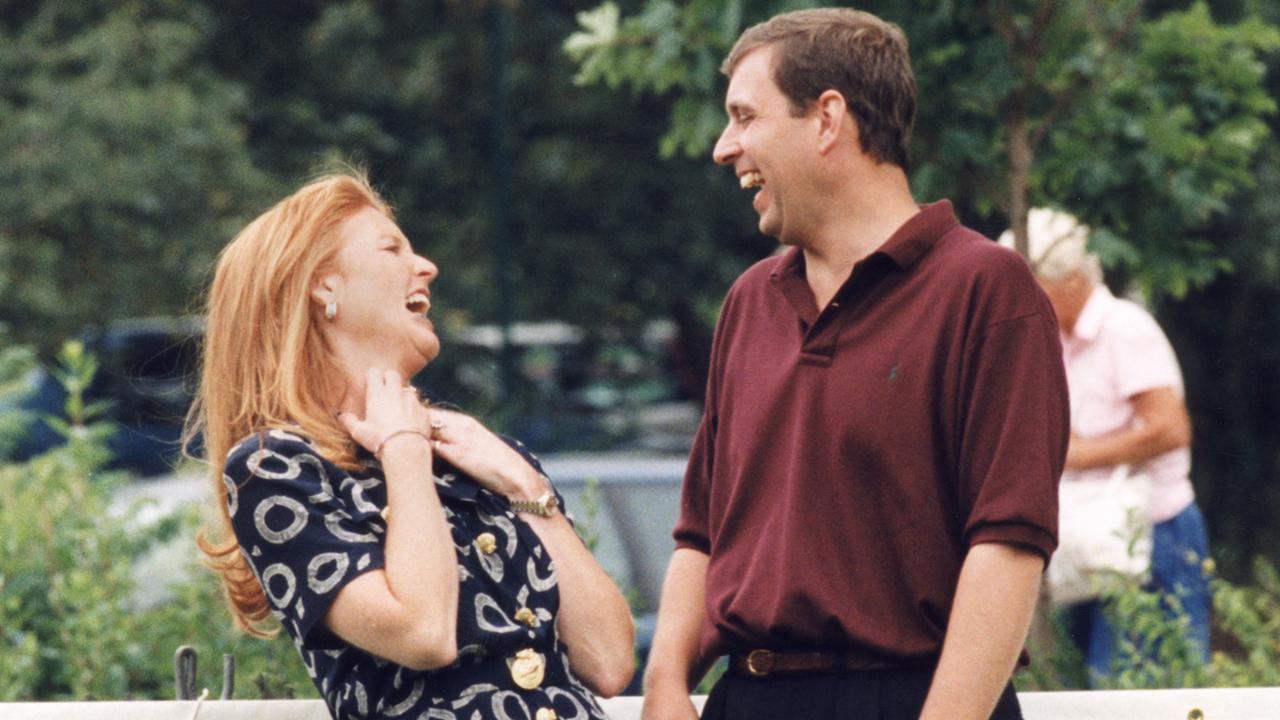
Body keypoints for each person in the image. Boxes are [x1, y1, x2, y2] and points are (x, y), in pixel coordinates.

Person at [639, 9, 1069, 720]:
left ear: (828, 118)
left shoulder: (987, 289)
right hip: (747, 698)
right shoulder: (750, 301)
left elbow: (1009, 544)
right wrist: (662, 687)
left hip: (913, 699)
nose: (724, 148)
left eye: (745, 117)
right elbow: (702, 532)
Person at [184, 172, 635, 720]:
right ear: (324, 286)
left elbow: (610, 663)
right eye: (391, 248)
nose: (426, 266)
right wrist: (403, 453)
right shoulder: (274, 468)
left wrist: (526, 488)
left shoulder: (476, 453)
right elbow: (423, 633)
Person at [1000, 207, 1211, 680]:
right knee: (1090, 688)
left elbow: (1170, 429)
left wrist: (1077, 453)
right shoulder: (1051, 339)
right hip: (1089, 540)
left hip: (1153, 534)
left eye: (1033, 290)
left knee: (1145, 687)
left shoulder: (1124, 328)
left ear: (1070, 279)